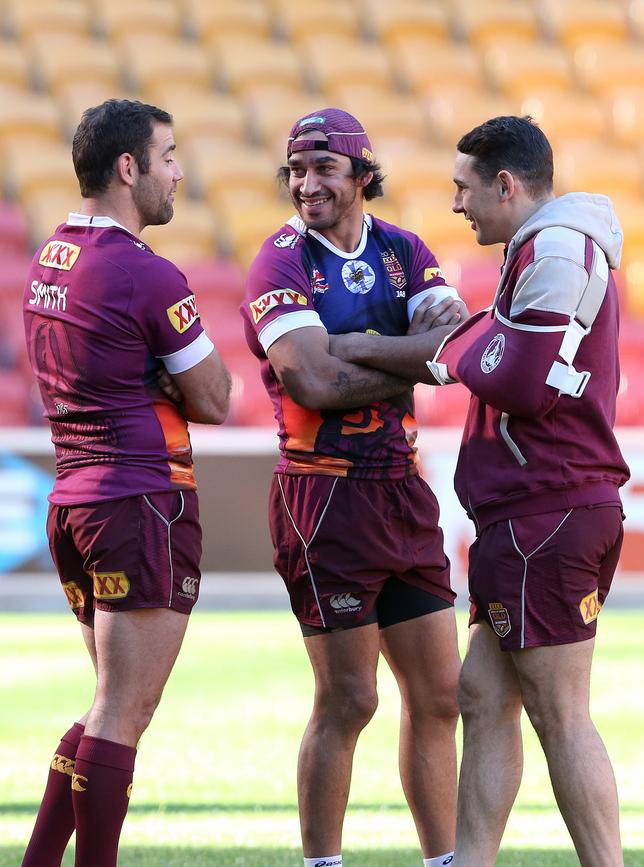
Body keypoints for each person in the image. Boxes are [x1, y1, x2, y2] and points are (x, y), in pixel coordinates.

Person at [330, 115, 630, 867]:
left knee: (560, 712)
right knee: (480, 695)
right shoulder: (542, 245)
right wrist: (471, 339)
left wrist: (466, 342)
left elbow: (517, 377)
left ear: (506, 184)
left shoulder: (557, 245)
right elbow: (487, 350)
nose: (457, 205)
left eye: (464, 189)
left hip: (547, 507)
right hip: (533, 511)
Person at [240, 108, 466, 867]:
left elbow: (455, 350)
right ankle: (323, 863)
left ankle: (444, 861)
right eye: (296, 170)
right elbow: (309, 375)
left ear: (362, 174)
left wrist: (361, 346)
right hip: (324, 496)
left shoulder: (405, 250)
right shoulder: (278, 261)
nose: (306, 184)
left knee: (441, 696)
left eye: (323, 168)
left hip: (401, 488)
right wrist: (404, 355)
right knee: (350, 700)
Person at [21, 98, 231, 867]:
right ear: (128, 168)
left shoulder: (50, 260)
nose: (179, 173)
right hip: (140, 500)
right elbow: (216, 396)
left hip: (75, 501)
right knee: (122, 710)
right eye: (169, 156)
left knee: (107, 702)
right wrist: (167, 387)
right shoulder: (144, 272)